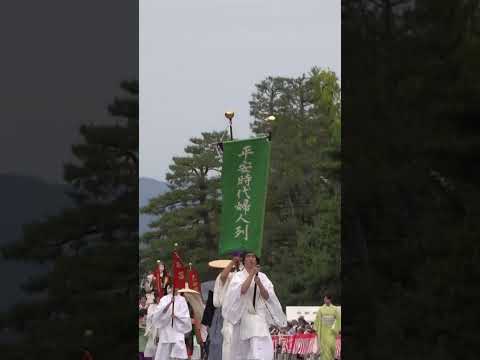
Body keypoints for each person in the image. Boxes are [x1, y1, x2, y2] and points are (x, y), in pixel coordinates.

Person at [222, 252, 287, 360]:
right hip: (243, 314)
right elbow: (241, 290)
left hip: (259, 315)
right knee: (242, 350)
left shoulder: (263, 276)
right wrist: (251, 274)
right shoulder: (238, 276)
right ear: (244, 260)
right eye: (248, 256)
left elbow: (267, 296)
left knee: (259, 344)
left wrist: (260, 283)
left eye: (253, 257)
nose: (251, 259)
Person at [152, 288, 192, 360]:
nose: (174, 288)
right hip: (166, 331)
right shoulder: (164, 299)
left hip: (177, 331)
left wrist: (176, 316)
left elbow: (186, 317)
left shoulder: (182, 300)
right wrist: (170, 303)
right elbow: (159, 313)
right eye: (172, 286)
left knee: (178, 355)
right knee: (164, 355)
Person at [313, 294, 341, 360]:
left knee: (331, 347)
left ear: (329, 300)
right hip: (323, 332)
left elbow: (339, 319)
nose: (324, 300)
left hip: (331, 332)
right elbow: (317, 319)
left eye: (326, 299)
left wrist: (335, 329)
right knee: (325, 349)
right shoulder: (321, 309)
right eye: (324, 299)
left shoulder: (335, 309)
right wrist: (316, 328)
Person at [144, 295, 161, 359]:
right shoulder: (151, 306)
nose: (158, 299)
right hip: (154, 329)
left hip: (162, 330)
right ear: (155, 298)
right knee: (153, 348)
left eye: (160, 298)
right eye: (157, 298)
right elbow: (149, 316)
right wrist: (156, 313)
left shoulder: (164, 305)